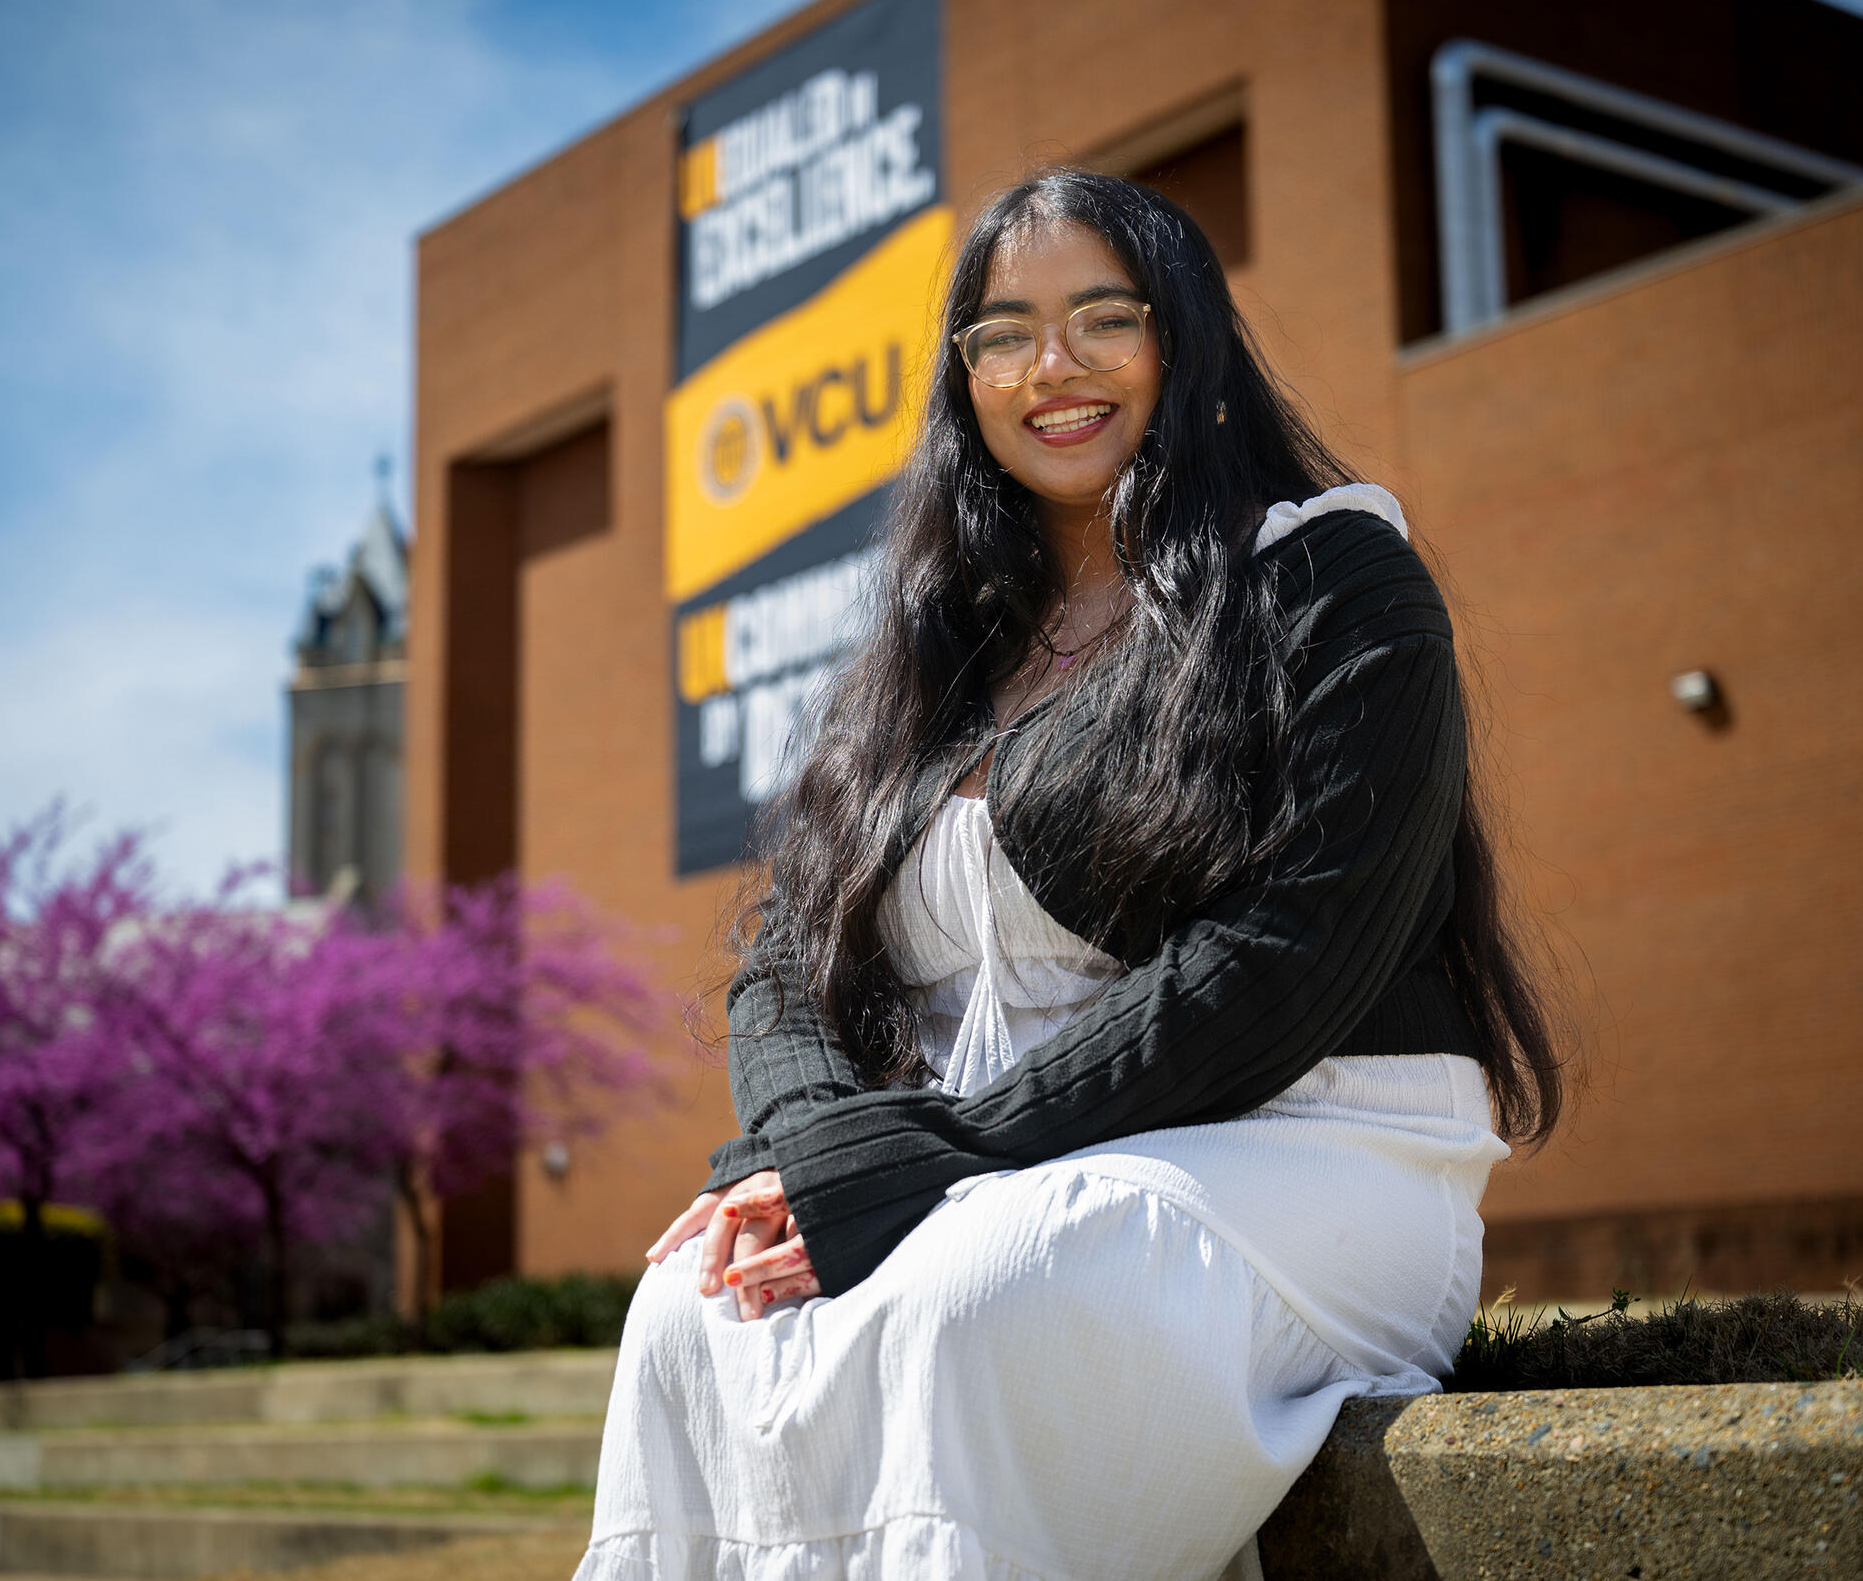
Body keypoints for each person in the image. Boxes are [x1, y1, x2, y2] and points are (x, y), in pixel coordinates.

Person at [577, 170, 1566, 1581]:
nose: (1055, 367)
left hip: (1304, 1147)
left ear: (1188, 343)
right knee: (691, 1307)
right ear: (962, 378)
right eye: (1005, 332)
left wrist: (933, 1156)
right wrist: (813, 1160)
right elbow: (783, 962)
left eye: (1108, 317)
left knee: (981, 1293)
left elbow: (1286, 964)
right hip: (972, 1168)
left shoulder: (1334, 578)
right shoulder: (927, 657)